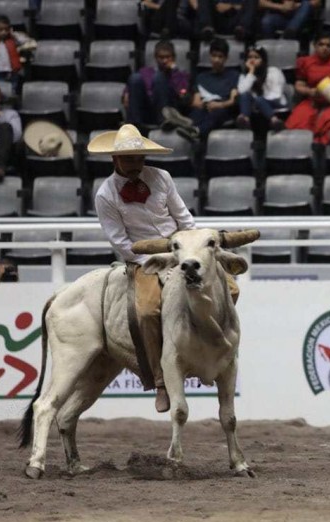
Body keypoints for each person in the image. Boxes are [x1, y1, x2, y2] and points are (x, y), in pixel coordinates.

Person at [88, 124, 195, 414]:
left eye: (139, 158)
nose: (136, 164)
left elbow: (184, 220)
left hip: (180, 251)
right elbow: (122, 243)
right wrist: (156, 264)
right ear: (115, 160)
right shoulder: (105, 195)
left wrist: (192, 250)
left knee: (230, 288)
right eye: (130, 159)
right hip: (142, 262)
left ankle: (206, 356)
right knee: (147, 311)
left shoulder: (162, 177)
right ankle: (161, 382)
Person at [124, 40, 193, 135]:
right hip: (148, 108)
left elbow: (182, 94)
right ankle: (134, 124)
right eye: (161, 57)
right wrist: (126, 92)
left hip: (169, 108)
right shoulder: (144, 72)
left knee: (159, 77)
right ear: (156, 58)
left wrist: (174, 71)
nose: (164, 61)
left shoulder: (181, 75)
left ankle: (164, 121)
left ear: (173, 58)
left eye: (167, 57)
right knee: (135, 78)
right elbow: (132, 89)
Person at [176, 37, 239, 138]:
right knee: (196, 113)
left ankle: (196, 131)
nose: (216, 60)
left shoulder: (234, 75)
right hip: (204, 107)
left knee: (216, 114)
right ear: (210, 56)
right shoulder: (201, 77)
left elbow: (233, 100)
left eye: (220, 56)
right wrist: (199, 104)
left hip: (222, 109)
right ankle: (186, 125)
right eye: (214, 56)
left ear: (226, 58)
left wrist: (219, 105)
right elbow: (196, 100)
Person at [236, 44, 288, 132]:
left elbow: (276, 94)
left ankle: (275, 121)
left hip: (275, 102)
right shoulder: (245, 75)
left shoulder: (273, 71)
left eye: (256, 57)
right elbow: (241, 92)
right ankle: (244, 120)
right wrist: (251, 73)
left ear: (263, 60)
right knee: (245, 95)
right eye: (249, 57)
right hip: (257, 104)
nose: (252, 60)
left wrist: (259, 101)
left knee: (259, 100)